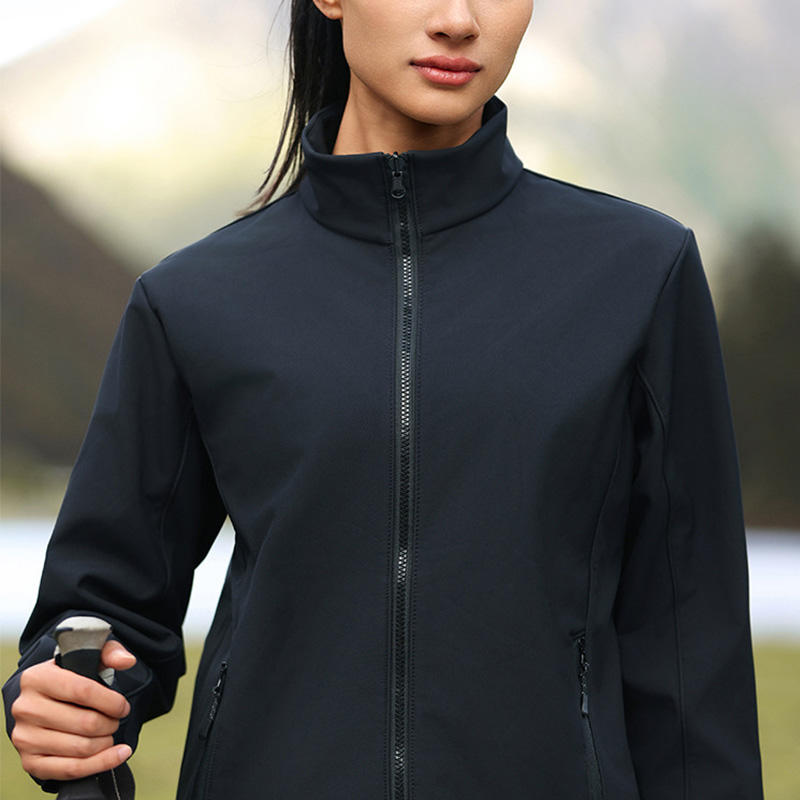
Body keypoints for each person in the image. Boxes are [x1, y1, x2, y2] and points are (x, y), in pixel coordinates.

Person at [4, 0, 766, 798]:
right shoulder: (194, 300)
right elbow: (101, 608)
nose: (459, 19)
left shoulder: (638, 275)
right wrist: (62, 693)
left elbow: (692, 661)